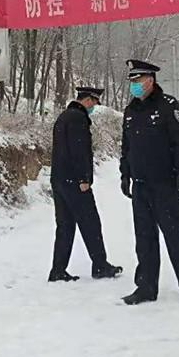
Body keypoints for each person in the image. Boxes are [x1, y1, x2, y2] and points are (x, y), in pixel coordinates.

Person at [119, 59, 179, 305]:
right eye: (131, 81)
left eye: (138, 80)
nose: (134, 84)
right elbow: (127, 147)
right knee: (144, 238)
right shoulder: (131, 110)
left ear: (150, 80)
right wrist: (125, 174)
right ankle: (146, 287)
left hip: (165, 184)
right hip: (140, 184)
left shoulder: (168, 106)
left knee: (175, 236)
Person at [48, 86, 123, 282]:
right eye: (94, 103)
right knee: (90, 222)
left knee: (65, 226)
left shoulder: (64, 117)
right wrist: (83, 178)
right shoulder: (78, 118)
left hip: (59, 179)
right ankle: (100, 265)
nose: (94, 107)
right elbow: (79, 150)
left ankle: (58, 269)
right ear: (88, 100)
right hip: (75, 181)